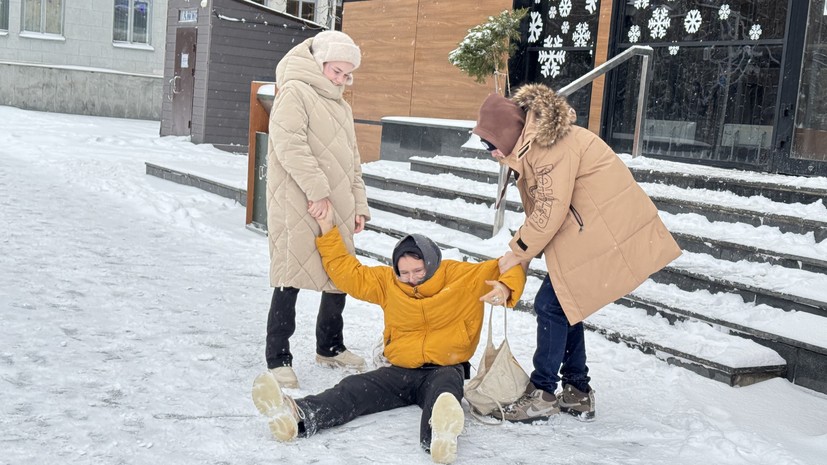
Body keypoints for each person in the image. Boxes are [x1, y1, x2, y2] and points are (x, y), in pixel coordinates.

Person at [472, 83, 682, 423]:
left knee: (550, 306)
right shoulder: (534, 144)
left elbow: (549, 210)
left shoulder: (549, 145)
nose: (490, 152)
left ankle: (542, 394)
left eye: (490, 144)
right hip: (587, 229)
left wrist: (519, 252)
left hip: (604, 230)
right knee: (564, 304)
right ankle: (578, 391)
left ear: (509, 133)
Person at [251, 207, 526, 464]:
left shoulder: (463, 276)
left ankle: (441, 435)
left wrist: (504, 287)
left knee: (444, 395)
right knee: (353, 389)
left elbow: (510, 263)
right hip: (400, 371)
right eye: (404, 272)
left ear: (432, 263)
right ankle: (298, 416)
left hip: (445, 366)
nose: (411, 278)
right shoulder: (388, 283)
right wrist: (327, 227)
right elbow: (348, 273)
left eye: (418, 271)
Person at [264, 30, 371, 389]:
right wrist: (318, 191)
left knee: (340, 274)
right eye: (335, 71)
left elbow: (352, 160)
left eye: (346, 74)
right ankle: (278, 357)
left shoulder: (341, 104)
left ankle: (330, 346)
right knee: (290, 275)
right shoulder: (295, 91)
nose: (341, 79)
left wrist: (359, 204)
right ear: (319, 62)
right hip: (298, 199)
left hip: (335, 201)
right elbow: (288, 144)